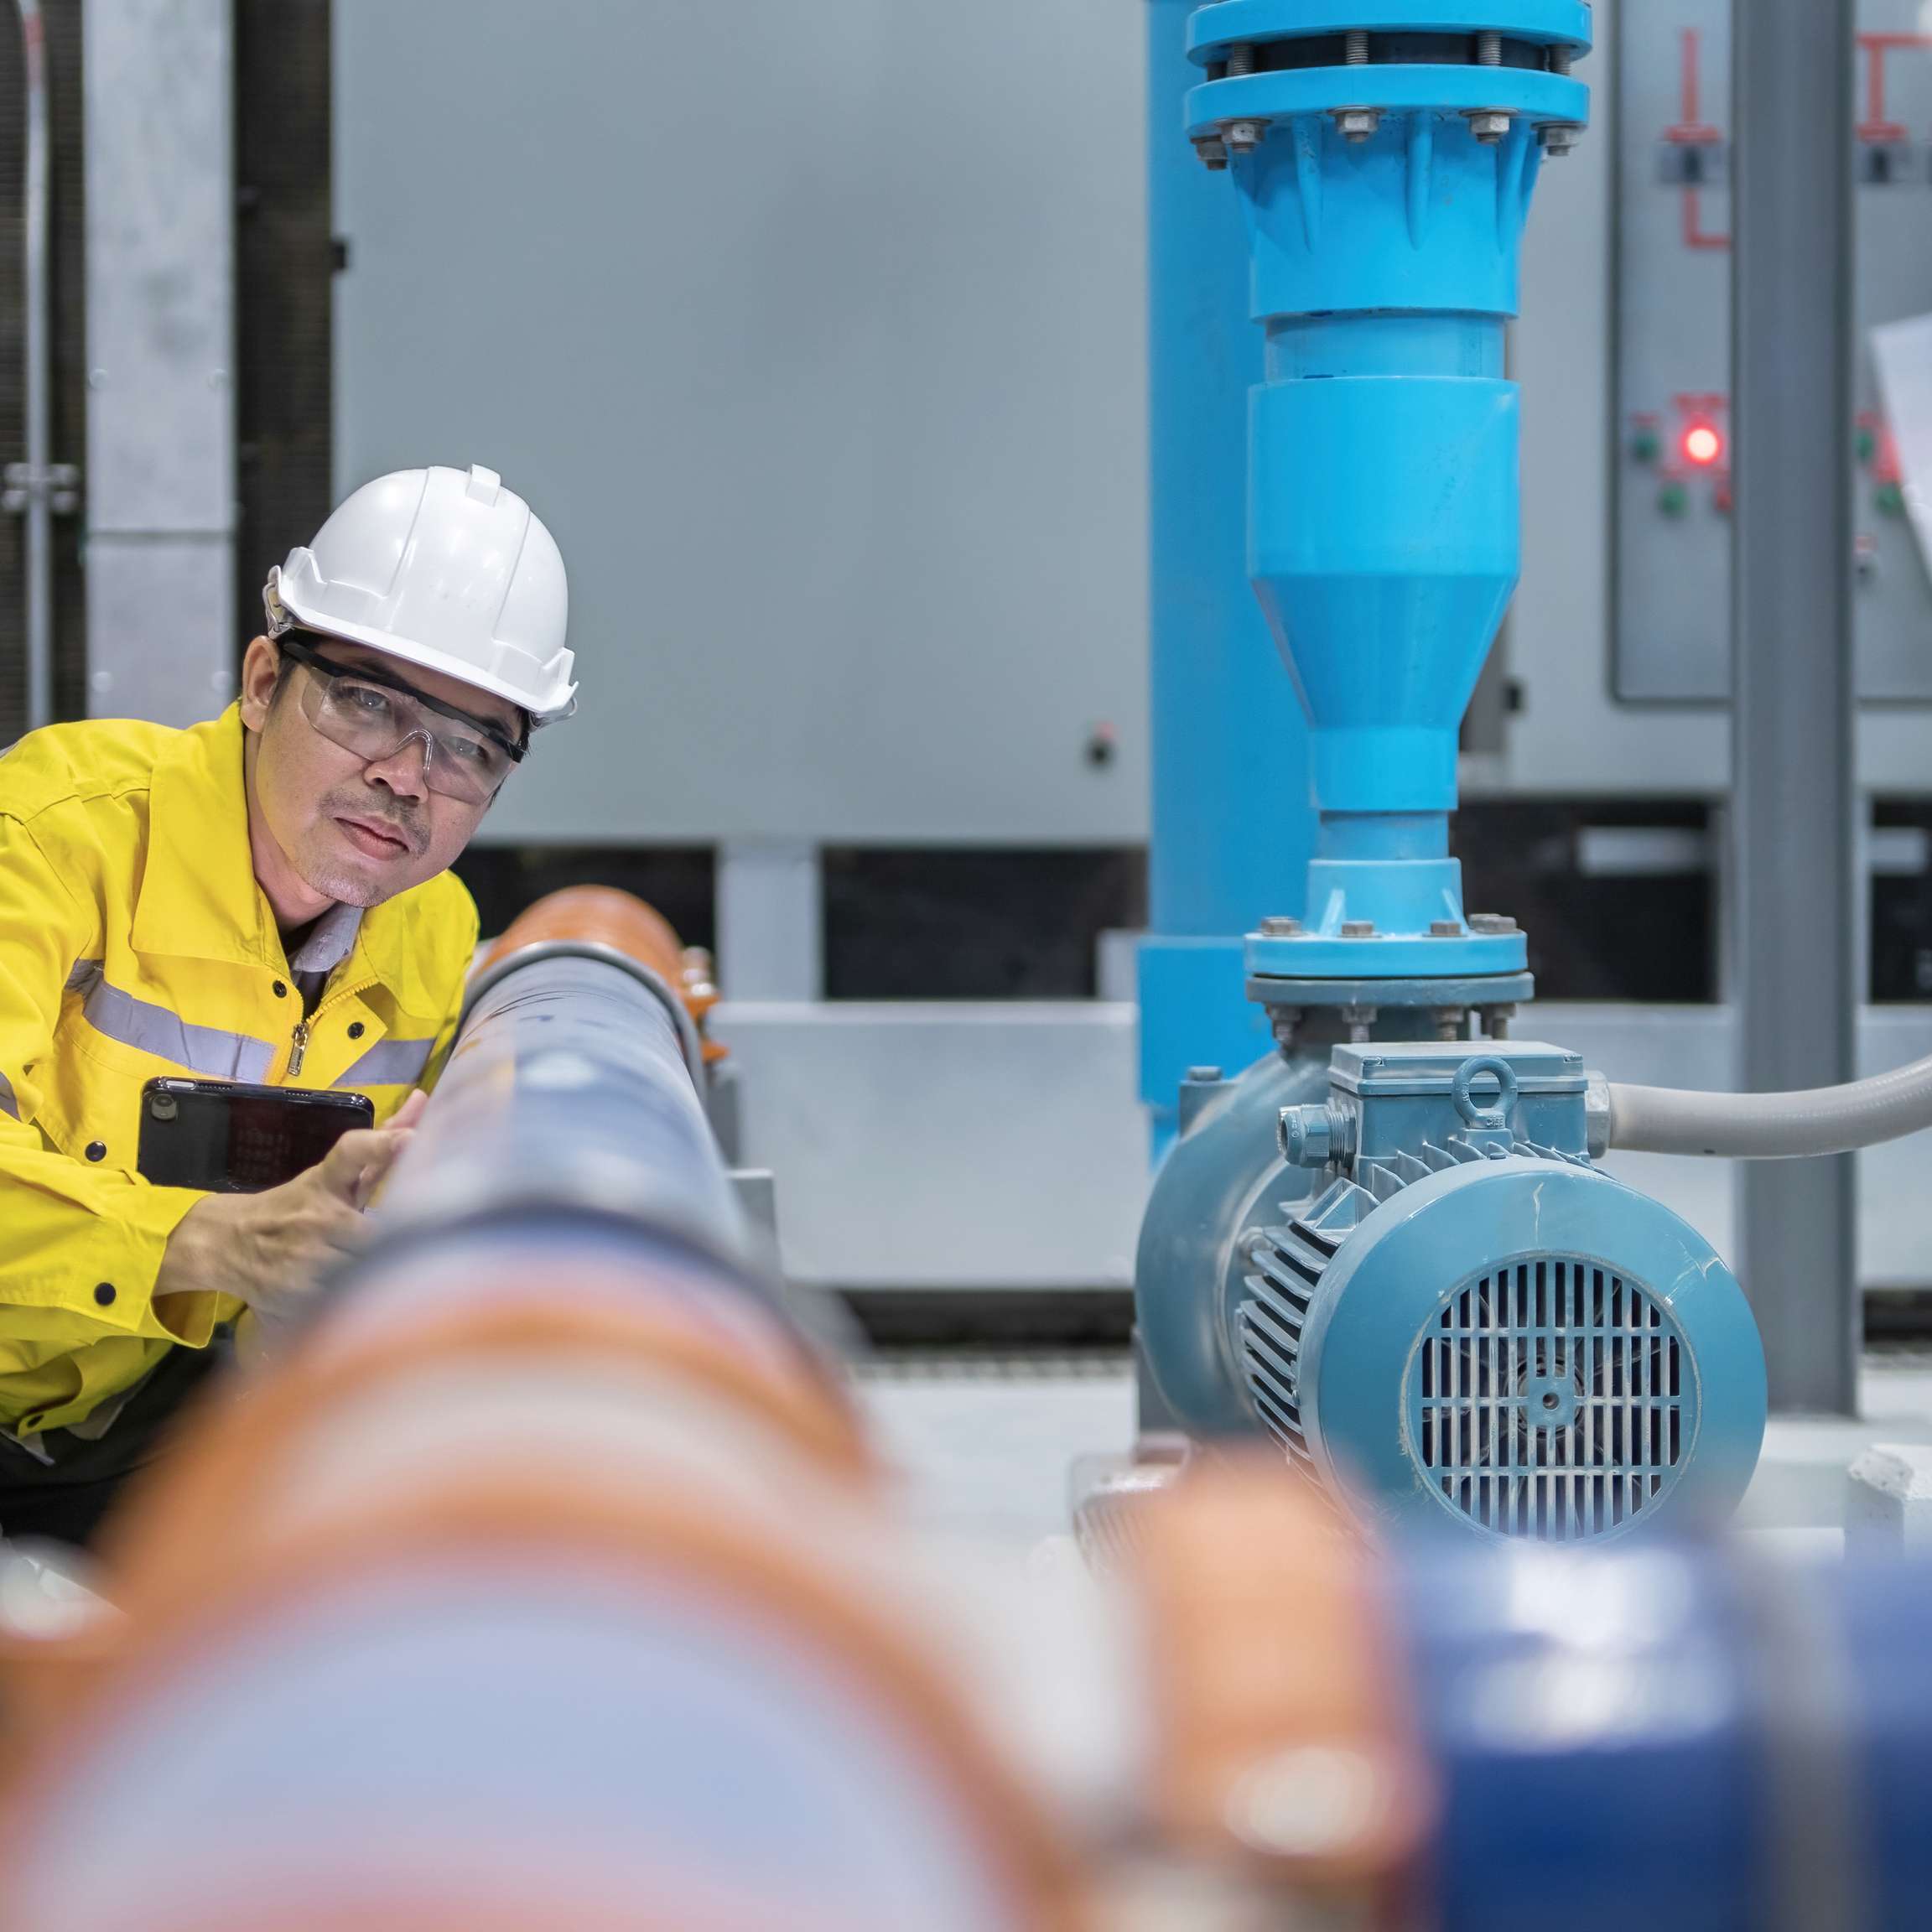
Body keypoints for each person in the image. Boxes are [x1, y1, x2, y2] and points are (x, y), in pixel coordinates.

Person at [0, 463, 574, 1545]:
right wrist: (210, 1241)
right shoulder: (52, 836)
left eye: (471, 746)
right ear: (264, 681)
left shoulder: (429, 927)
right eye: (369, 704)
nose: (409, 776)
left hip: (125, 1416)